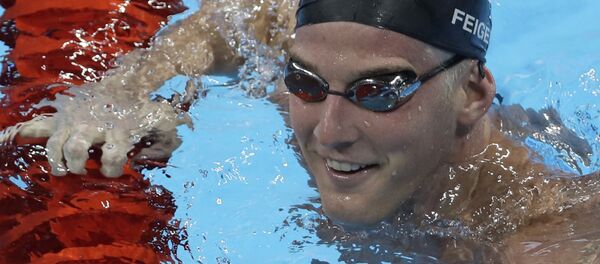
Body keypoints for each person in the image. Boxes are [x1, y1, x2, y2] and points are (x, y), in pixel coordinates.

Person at [6, 0, 600, 262]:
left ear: (473, 93)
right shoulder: (308, 53)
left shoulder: (537, 242)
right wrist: (121, 97)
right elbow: (233, 19)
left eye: (380, 91)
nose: (330, 132)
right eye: (305, 83)